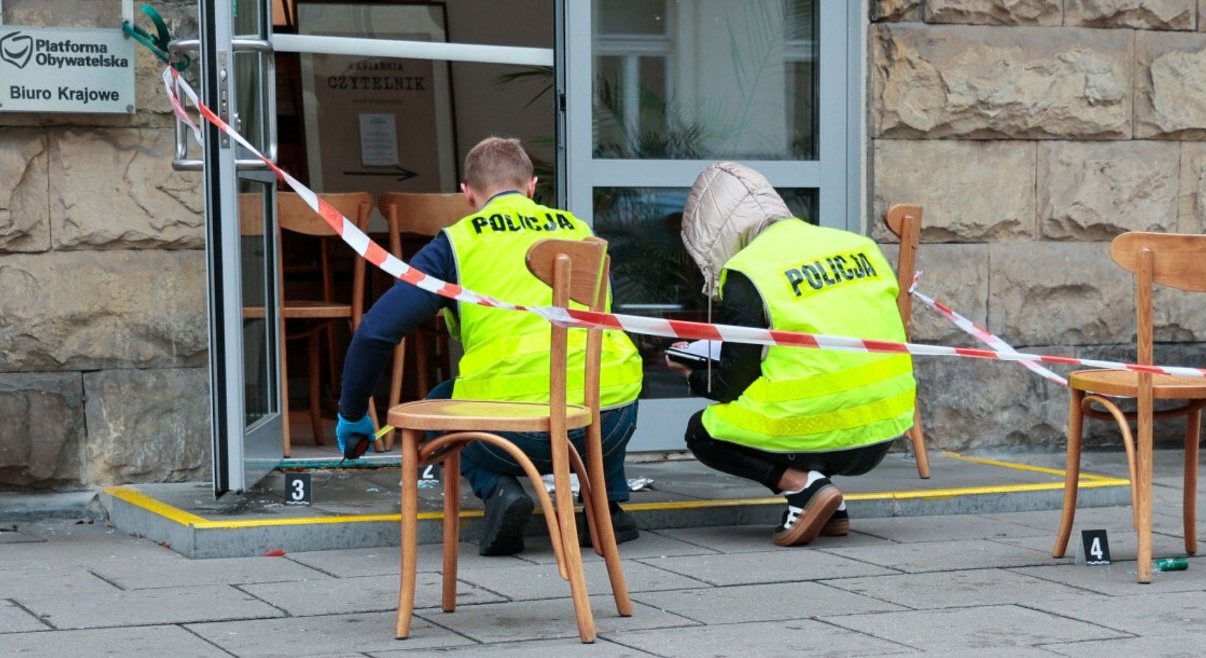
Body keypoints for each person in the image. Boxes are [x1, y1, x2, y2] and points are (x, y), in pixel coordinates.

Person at [335, 136, 644, 556]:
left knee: (437, 406)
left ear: (468, 195)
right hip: (605, 423)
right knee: (603, 372)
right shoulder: (579, 230)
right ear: (533, 187)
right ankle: (602, 507)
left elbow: (375, 332)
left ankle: (499, 490)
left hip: (509, 433)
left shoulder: (456, 244)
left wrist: (352, 414)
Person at [669, 161, 916, 547]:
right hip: (884, 427)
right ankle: (830, 508)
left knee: (704, 431)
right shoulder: (859, 246)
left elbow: (733, 383)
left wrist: (693, 371)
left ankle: (802, 487)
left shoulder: (749, 270)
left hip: (815, 426)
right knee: (789, 394)